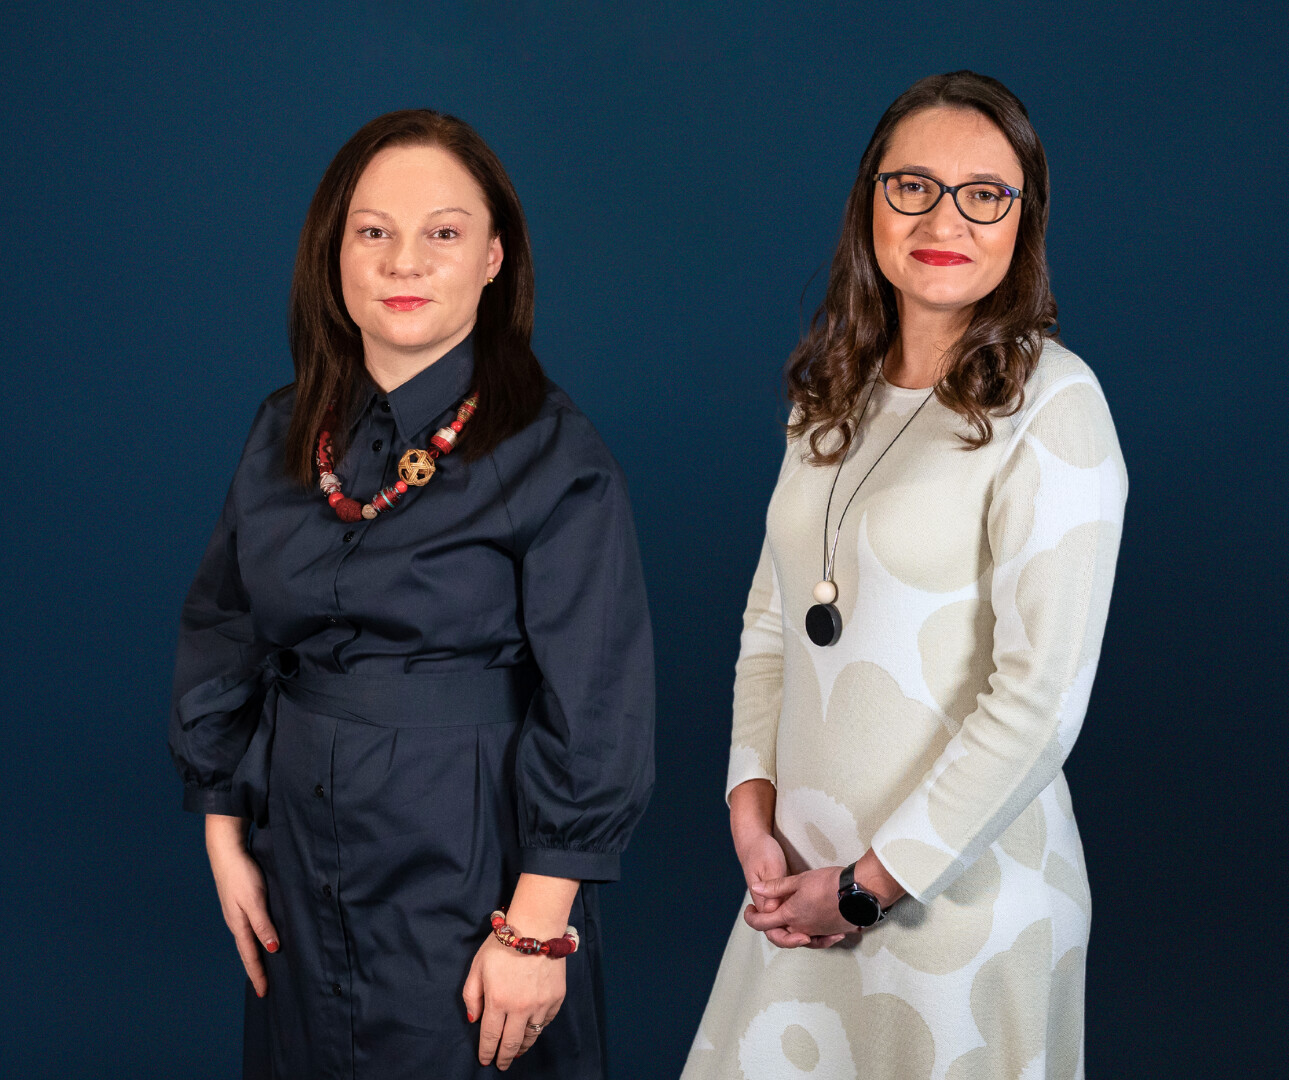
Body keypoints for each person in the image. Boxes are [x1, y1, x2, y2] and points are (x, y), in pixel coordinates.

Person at [169, 109, 654, 1080]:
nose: (403, 262)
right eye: (373, 231)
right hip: (298, 857)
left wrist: (534, 933)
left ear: (491, 259)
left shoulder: (553, 453)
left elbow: (598, 705)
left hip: (472, 862)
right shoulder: (281, 432)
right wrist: (225, 834)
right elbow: (224, 628)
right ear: (333, 253)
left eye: (442, 232)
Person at [683, 72, 1127, 1080]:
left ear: (1022, 222)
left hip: (958, 910)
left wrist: (868, 885)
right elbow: (772, 620)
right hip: (796, 890)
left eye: (984, 194)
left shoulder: (1052, 406)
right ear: (866, 204)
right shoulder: (829, 393)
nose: (944, 217)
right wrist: (748, 803)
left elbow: (1040, 698)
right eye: (911, 186)